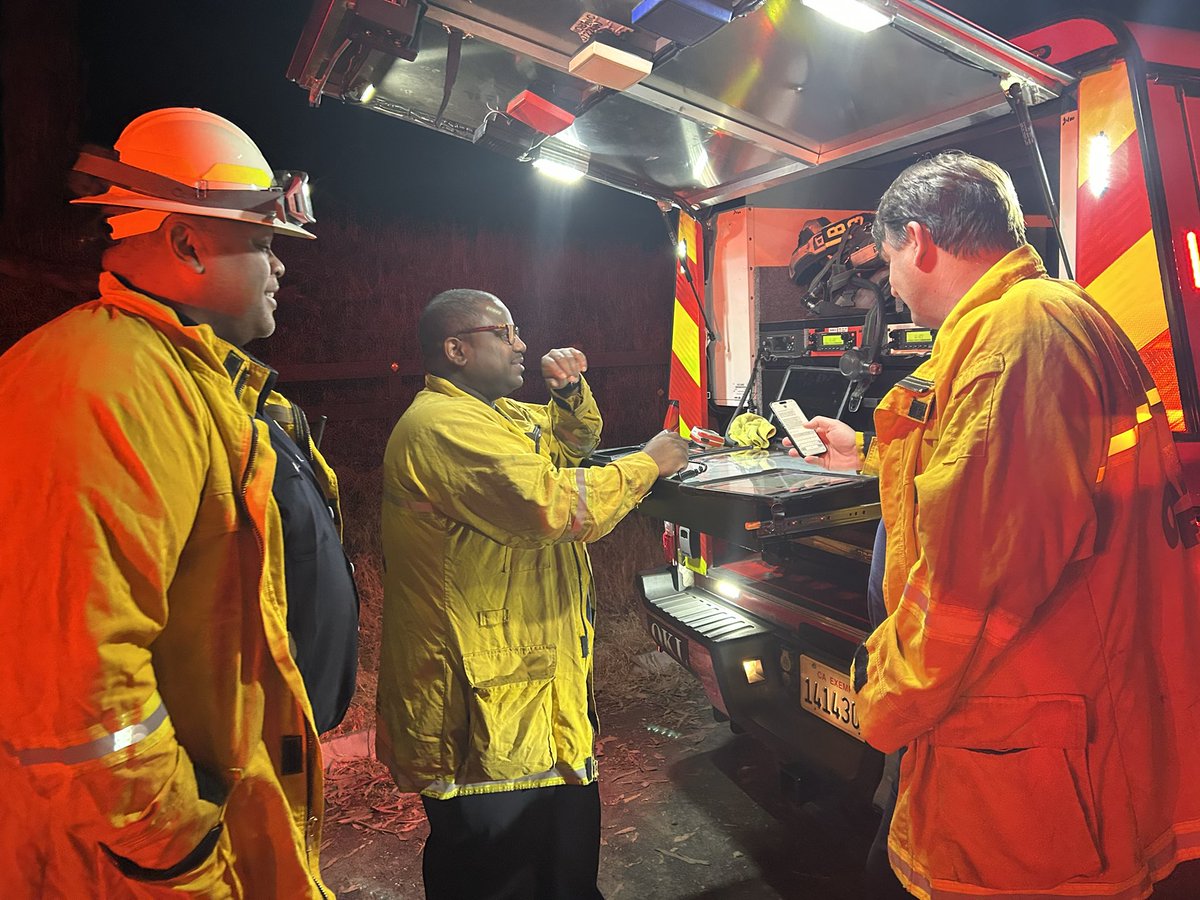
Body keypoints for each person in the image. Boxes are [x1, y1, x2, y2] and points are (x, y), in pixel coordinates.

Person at [796, 151, 1200, 899]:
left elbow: (970, 589)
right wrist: (868, 455)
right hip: (1043, 717)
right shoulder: (1046, 317)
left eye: (887, 265)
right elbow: (986, 474)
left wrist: (879, 693)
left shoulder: (1015, 347)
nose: (890, 285)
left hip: (1024, 746)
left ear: (918, 240)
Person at [0, 107, 358, 897]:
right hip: (140, 867)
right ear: (188, 242)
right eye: (262, 244)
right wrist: (179, 858)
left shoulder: (185, 377)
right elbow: (81, 700)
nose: (281, 269)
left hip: (213, 822)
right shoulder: (100, 387)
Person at [376, 289, 688, 899]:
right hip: (479, 715)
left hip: (529, 694)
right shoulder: (443, 427)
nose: (522, 344)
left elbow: (572, 444)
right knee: (500, 878)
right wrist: (649, 464)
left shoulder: (497, 416)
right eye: (507, 332)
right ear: (457, 348)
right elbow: (552, 505)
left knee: (560, 870)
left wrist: (570, 394)